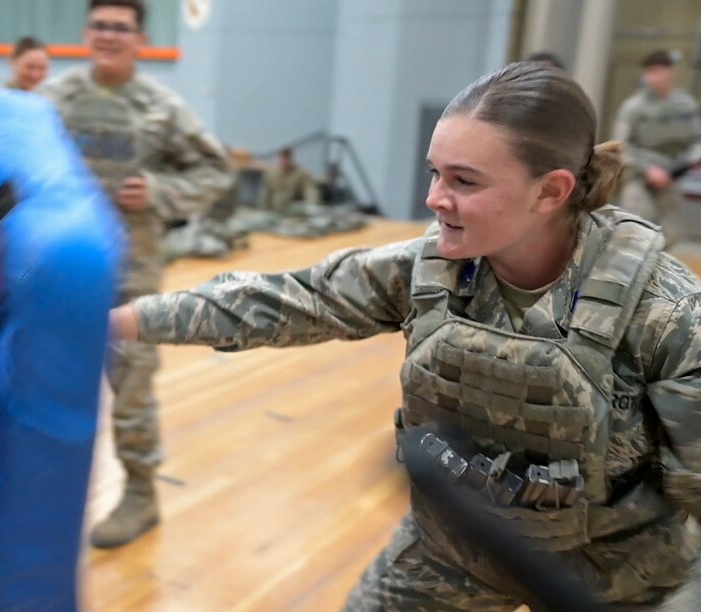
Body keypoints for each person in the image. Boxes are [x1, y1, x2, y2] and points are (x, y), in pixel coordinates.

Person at [109, 61, 701, 609]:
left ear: (551, 191)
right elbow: (290, 298)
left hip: (616, 574)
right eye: (434, 173)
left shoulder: (663, 311)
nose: (433, 199)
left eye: (464, 181)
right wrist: (123, 321)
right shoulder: (429, 269)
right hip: (457, 546)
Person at [40, 0, 233, 549]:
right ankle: (54, 493)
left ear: (140, 39)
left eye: (121, 28)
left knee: (130, 384)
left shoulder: (161, 108)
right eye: (100, 25)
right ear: (85, 33)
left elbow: (214, 169)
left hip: (130, 269)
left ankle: (142, 493)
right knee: (53, 380)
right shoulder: (55, 101)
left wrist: (162, 191)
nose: (108, 35)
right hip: (59, 266)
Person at [613, 49, 701, 244]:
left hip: (672, 176)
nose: (653, 77)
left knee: (673, 232)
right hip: (639, 176)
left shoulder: (685, 105)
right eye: (649, 72)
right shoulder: (634, 107)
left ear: (670, 72)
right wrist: (648, 169)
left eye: (658, 71)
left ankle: (653, 269)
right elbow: (622, 145)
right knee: (635, 226)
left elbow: (697, 140)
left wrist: (692, 160)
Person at [257, 147, 320, 213]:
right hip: (275, 212)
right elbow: (266, 194)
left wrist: (312, 204)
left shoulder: (301, 173)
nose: (284, 161)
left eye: (286, 158)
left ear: (291, 158)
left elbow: (309, 189)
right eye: (282, 158)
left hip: (293, 212)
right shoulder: (272, 174)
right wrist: (263, 210)